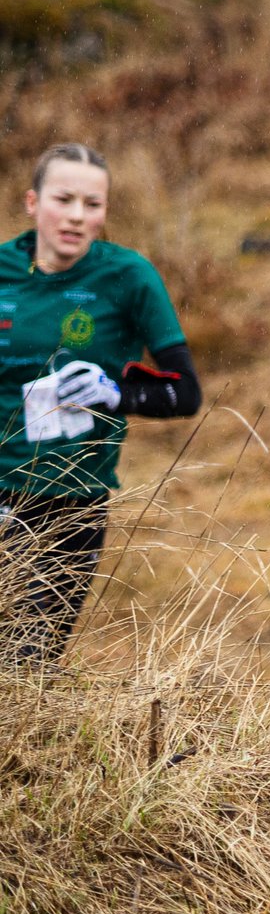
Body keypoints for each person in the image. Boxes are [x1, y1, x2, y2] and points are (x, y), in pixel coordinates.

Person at [1, 144, 202, 664]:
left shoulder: (128, 278)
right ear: (32, 201)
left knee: (28, 662)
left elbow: (185, 391)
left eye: (92, 204)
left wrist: (115, 393)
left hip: (73, 505)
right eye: (63, 199)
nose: (76, 216)